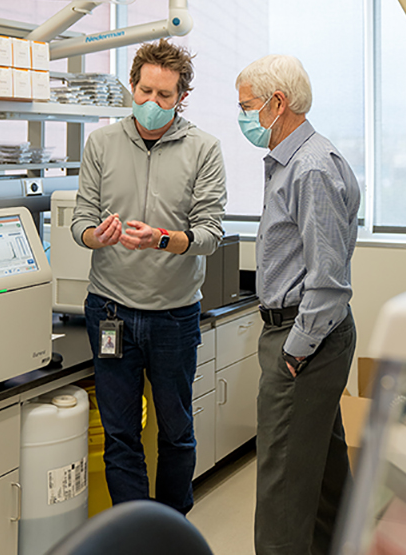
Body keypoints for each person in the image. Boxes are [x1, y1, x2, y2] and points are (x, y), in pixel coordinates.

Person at [71, 38, 227, 515]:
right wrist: (96, 237)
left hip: (173, 317)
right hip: (111, 311)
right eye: (144, 91)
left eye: (164, 96)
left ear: (182, 98)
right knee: (121, 434)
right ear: (132, 86)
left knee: (177, 432)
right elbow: (80, 222)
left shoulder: (204, 148)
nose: (152, 104)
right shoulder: (101, 143)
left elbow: (210, 234)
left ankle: (171, 529)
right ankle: (135, 534)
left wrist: (162, 238)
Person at [235, 54, 360, 555]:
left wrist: (295, 350)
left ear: (277, 103)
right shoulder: (294, 163)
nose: (242, 117)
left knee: (283, 487)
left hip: (305, 339)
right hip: (303, 335)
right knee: (324, 474)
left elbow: (327, 281)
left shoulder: (309, 168)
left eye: (246, 107)